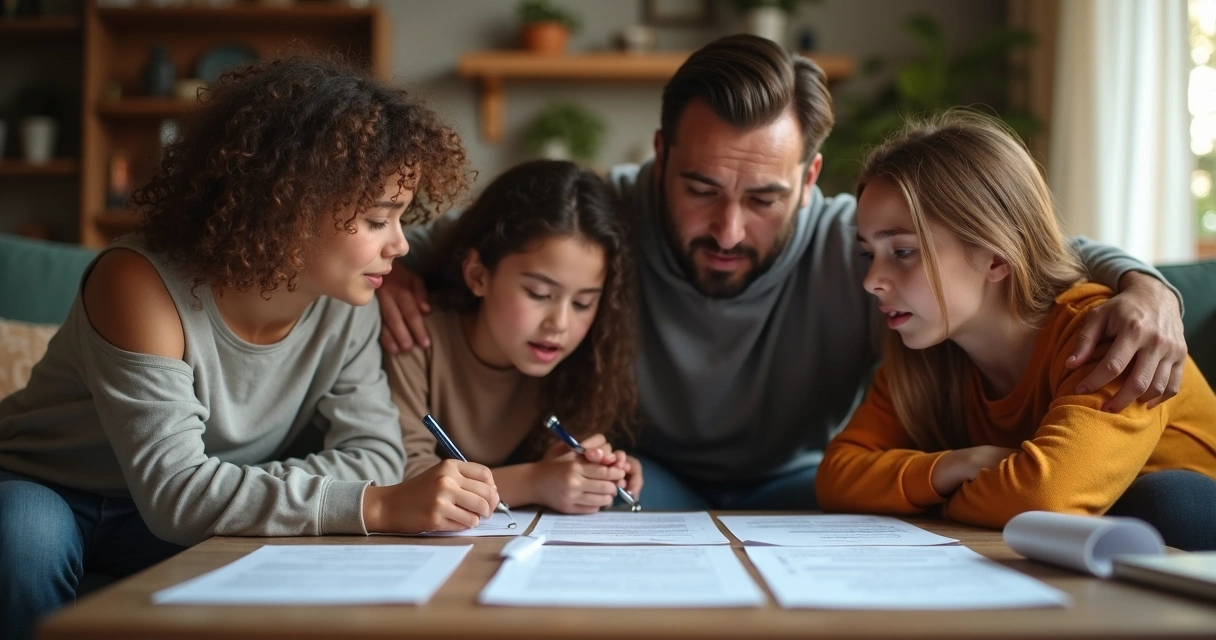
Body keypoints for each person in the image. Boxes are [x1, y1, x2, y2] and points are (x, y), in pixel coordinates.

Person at [376, 35, 1189, 510]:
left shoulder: (863, 246)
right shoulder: (603, 214)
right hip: (651, 479)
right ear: (660, 157)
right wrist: (400, 271)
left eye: (764, 198)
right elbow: (434, 240)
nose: (729, 229)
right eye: (700, 189)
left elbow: (1030, 249)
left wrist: (1146, 286)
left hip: (799, 486)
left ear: (809, 180)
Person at [0, 56, 499, 639]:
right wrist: (377, 505)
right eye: (376, 219)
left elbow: (376, 455)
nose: (400, 245)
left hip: (169, 511)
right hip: (50, 488)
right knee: (24, 536)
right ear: (288, 206)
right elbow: (178, 494)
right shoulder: (139, 284)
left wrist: (231, 488)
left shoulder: (349, 303)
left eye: (401, 219)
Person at [815, 111, 1216, 550]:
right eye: (868, 254)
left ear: (996, 257)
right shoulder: (923, 354)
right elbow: (837, 475)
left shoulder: (1107, 336)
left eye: (903, 251)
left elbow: (1043, 497)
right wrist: (952, 467)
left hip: (1186, 539)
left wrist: (929, 501)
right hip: (1076, 557)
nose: (872, 280)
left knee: (1168, 499)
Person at [386, 159, 642, 514]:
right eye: (539, 294)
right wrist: (534, 481)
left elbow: (558, 466)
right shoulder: (412, 337)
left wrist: (589, 473)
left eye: (583, 303)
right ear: (478, 275)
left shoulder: (578, 367)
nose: (560, 323)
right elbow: (400, 481)